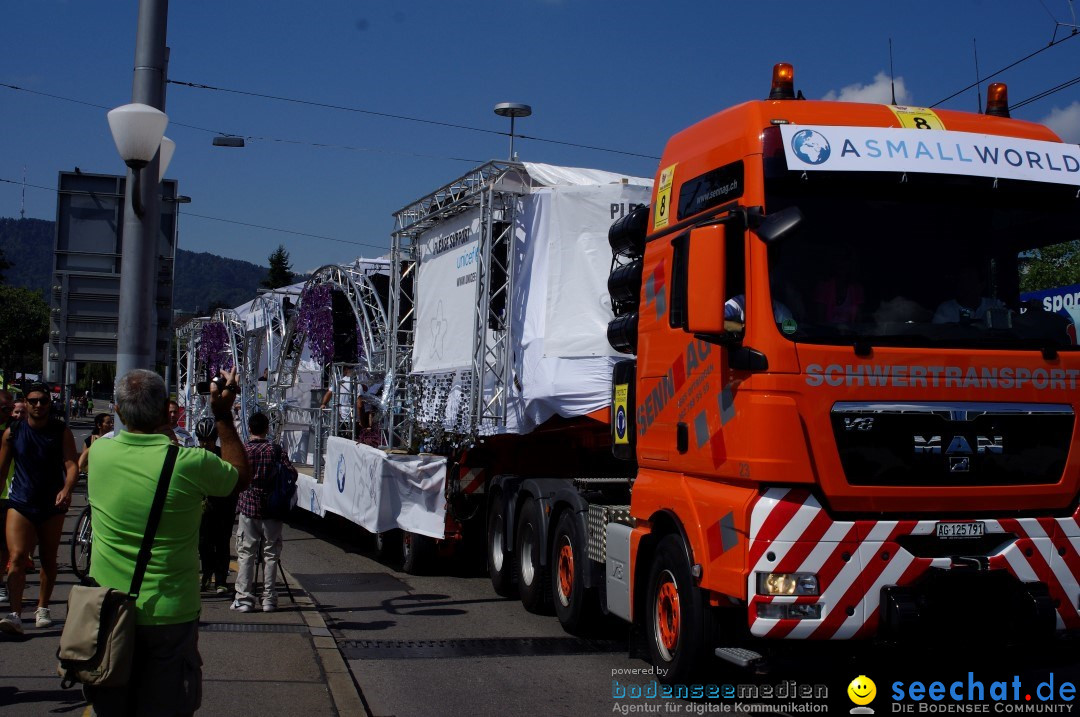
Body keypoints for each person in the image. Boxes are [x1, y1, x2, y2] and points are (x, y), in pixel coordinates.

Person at [82, 368, 249, 716]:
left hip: (107, 610)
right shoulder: (189, 464)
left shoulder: (99, 454)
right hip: (169, 613)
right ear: (165, 412)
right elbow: (238, 477)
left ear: (117, 412)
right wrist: (222, 414)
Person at [0, 384, 78, 634]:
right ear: (26, 402)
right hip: (21, 501)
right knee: (18, 557)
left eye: (43, 401)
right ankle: (14, 614)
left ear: (49, 403)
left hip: (51, 503)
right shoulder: (13, 432)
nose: (38, 405)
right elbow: (1, 472)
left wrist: (67, 489)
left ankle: (42, 607)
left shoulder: (60, 430)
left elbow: (71, 465)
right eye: (33, 401)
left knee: (47, 558)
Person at [234, 411, 296, 614]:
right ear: (267, 428)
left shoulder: (244, 450)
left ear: (250, 428)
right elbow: (292, 474)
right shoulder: (276, 450)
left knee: (246, 554)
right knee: (271, 554)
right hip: (273, 508)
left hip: (248, 507)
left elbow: (235, 475)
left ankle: (244, 598)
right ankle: (269, 598)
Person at [195, 417, 236, 595]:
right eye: (202, 440)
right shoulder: (194, 456)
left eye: (209, 440)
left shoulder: (224, 455)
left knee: (222, 543)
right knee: (203, 544)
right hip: (203, 508)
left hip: (223, 507)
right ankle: (206, 575)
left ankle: (220, 580)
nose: (206, 444)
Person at [932, 265, 1006, 324]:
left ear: (981, 285)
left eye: (970, 280)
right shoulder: (945, 310)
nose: (964, 284)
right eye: (961, 280)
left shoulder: (995, 306)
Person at [0, 391, 13, 609]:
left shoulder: (13, 432)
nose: (9, 413)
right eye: (5, 409)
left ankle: (0, 581)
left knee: (3, 545)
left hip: (7, 494)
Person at [321, 365, 359, 436]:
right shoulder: (355, 382)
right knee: (352, 438)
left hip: (340, 415)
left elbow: (329, 393)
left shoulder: (339, 380)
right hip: (352, 416)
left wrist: (323, 404)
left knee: (340, 437)